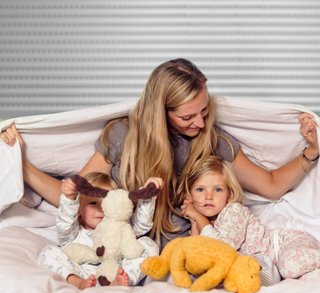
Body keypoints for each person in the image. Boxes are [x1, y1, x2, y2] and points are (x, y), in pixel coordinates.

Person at [1, 58, 319, 246]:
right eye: (187, 116)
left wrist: (311, 151)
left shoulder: (212, 140)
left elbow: (271, 185)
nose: (200, 122)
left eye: (205, 111)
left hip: (189, 246)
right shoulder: (121, 135)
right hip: (125, 247)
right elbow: (72, 195)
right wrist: (20, 162)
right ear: (160, 112)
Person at [180, 155, 320, 284]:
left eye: (218, 189)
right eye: (200, 190)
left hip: (285, 245)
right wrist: (194, 220)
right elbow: (194, 255)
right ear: (189, 195)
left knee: (289, 266)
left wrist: (198, 217)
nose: (208, 196)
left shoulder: (233, 211)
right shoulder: (205, 224)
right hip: (270, 266)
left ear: (229, 194)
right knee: (307, 281)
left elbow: (222, 249)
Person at [37, 171, 162, 289]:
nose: (102, 208)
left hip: (115, 272)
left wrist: (147, 196)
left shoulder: (121, 227)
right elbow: (64, 225)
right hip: (83, 274)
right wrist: (69, 199)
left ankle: (123, 280)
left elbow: (141, 226)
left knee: (148, 244)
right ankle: (76, 282)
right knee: (48, 251)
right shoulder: (74, 233)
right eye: (93, 203)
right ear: (78, 210)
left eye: (106, 204)